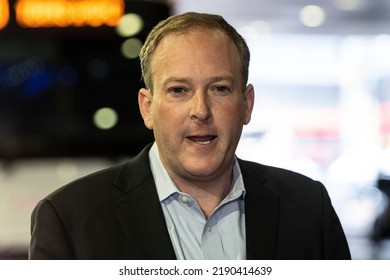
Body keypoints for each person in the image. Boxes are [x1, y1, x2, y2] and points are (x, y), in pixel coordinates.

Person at [29, 12, 351, 260]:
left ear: (246, 104)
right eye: (179, 90)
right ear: (148, 108)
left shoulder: (310, 208)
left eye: (220, 89)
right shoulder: (68, 219)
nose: (201, 110)